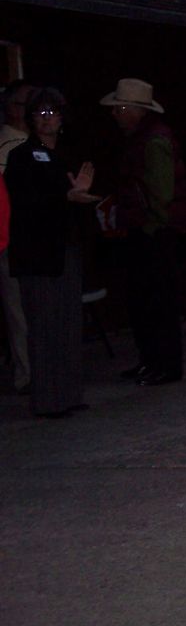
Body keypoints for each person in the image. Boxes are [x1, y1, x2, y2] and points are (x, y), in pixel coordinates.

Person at [5, 88, 98, 418]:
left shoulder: (68, 156)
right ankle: (48, 400)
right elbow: (26, 204)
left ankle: (70, 394)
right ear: (30, 119)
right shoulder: (21, 157)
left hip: (66, 249)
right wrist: (66, 198)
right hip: (37, 255)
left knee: (68, 324)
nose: (47, 120)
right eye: (40, 114)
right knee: (43, 327)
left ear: (62, 118)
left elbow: (77, 201)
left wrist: (81, 197)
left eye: (52, 113)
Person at [103, 78, 186, 386]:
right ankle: (151, 360)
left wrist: (151, 225)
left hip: (154, 232)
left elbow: (161, 191)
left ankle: (165, 364)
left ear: (135, 110)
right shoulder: (139, 138)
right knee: (142, 301)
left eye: (120, 108)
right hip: (143, 230)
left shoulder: (154, 140)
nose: (115, 114)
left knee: (159, 302)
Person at [0, 80, 34, 392]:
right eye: (26, 104)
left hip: (34, 240)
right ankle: (27, 374)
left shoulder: (33, 141)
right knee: (19, 310)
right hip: (13, 240)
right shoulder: (8, 145)